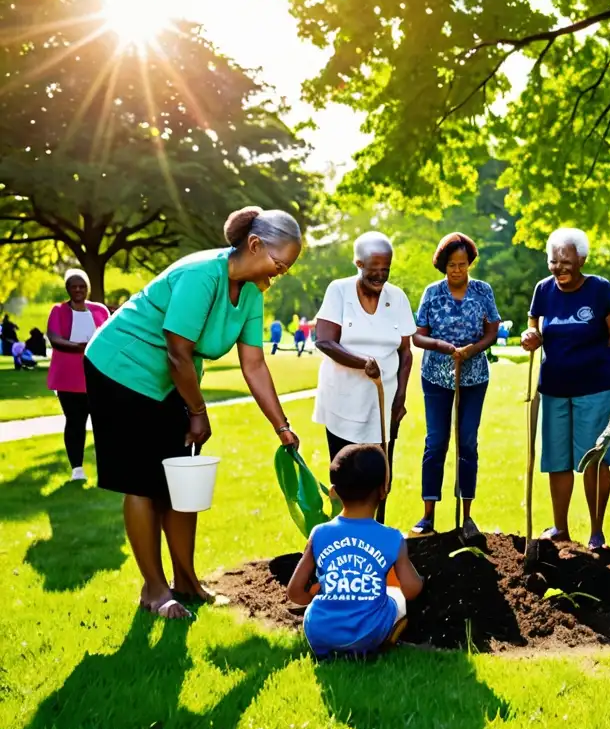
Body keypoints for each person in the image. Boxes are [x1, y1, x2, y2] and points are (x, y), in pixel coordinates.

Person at [84, 207, 302, 620]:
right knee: (143, 480)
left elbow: (254, 364)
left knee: (180, 480)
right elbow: (177, 350)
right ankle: (155, 589)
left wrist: (282, 426)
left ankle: (186, 580)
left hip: (172, 380)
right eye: (279, 263)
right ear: (254, 245)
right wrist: (197, 412)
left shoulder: (251, 293)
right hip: (121, 367)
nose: (280, 273)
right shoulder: (203, 274)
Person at [521, 228, 610, 550]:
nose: (559, 268)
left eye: (566, 261)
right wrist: (530, 337)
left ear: (582, 259)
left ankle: (596, 532)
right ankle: (560, 528)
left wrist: (583, 356)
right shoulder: (543, 289)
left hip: (596, 388)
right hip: (553, 388)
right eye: (553, 261)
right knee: (557, 460)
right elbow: (533, 326)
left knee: (593, 458)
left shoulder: (599, 289)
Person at [287, 444, 424, 658]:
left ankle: (328, 646)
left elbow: (295, 592)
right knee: (395, 596)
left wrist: (320, 593)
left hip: (319, 633)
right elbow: (411, 590)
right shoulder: (392, 538)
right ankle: (383, 640)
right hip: (367, 635)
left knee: (316, 607)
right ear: (383, 490)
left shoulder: (319, 533)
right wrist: (420, 580)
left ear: (333, 492)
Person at [409, 233, 500, 538]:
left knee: (467, 442)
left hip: (473, 377)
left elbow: (491, 332)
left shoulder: (482, 291)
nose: (458, 270)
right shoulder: (432, 293)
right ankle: (428, 515)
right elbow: (417, 336)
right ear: (443, 265)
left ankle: (467, 516)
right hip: (436, 374)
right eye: (452, 265)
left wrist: (472, 349)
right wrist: (443, 346)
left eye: (462, 264)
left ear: (470, 263)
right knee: (436, 442)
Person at [313, 232, 416, 474]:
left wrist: (400, 397)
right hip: (343, 399)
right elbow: (325, 341)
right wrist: (363, 362)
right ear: (359, 264)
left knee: (381, 475)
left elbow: (406, 352)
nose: (380, 275)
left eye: (386, 269)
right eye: (374, 268)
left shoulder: (397, 297)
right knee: (345, 475)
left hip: (383, 401)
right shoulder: (339, 290)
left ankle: (377, 514)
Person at [46, 269, 111, 481]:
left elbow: (110, 336)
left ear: (88, 288)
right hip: (68, 379)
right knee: (75, 422)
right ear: (67, 289)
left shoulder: (100, 310)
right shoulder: (58, 311)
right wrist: (78, 346)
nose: (78, 290)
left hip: (96, 376)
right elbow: (55, 338)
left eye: (82, 286)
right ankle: (77, 469)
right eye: (73, 286)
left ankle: (107, 468)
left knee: (104, 422)